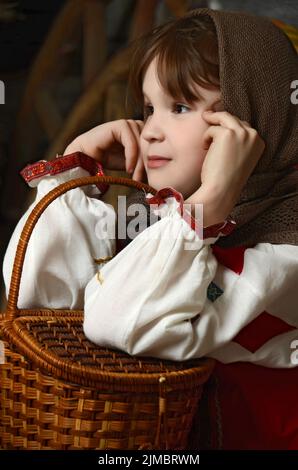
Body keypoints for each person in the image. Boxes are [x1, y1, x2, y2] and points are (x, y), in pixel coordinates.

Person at [3, 8, 298, 449]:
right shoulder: (164, 223)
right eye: (148, 107)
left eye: (179, 107)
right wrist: (74, 179)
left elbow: (118, 323)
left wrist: (212, 198)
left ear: (248, 122)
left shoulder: (281, 253)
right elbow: (35, 300)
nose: (151, 130)